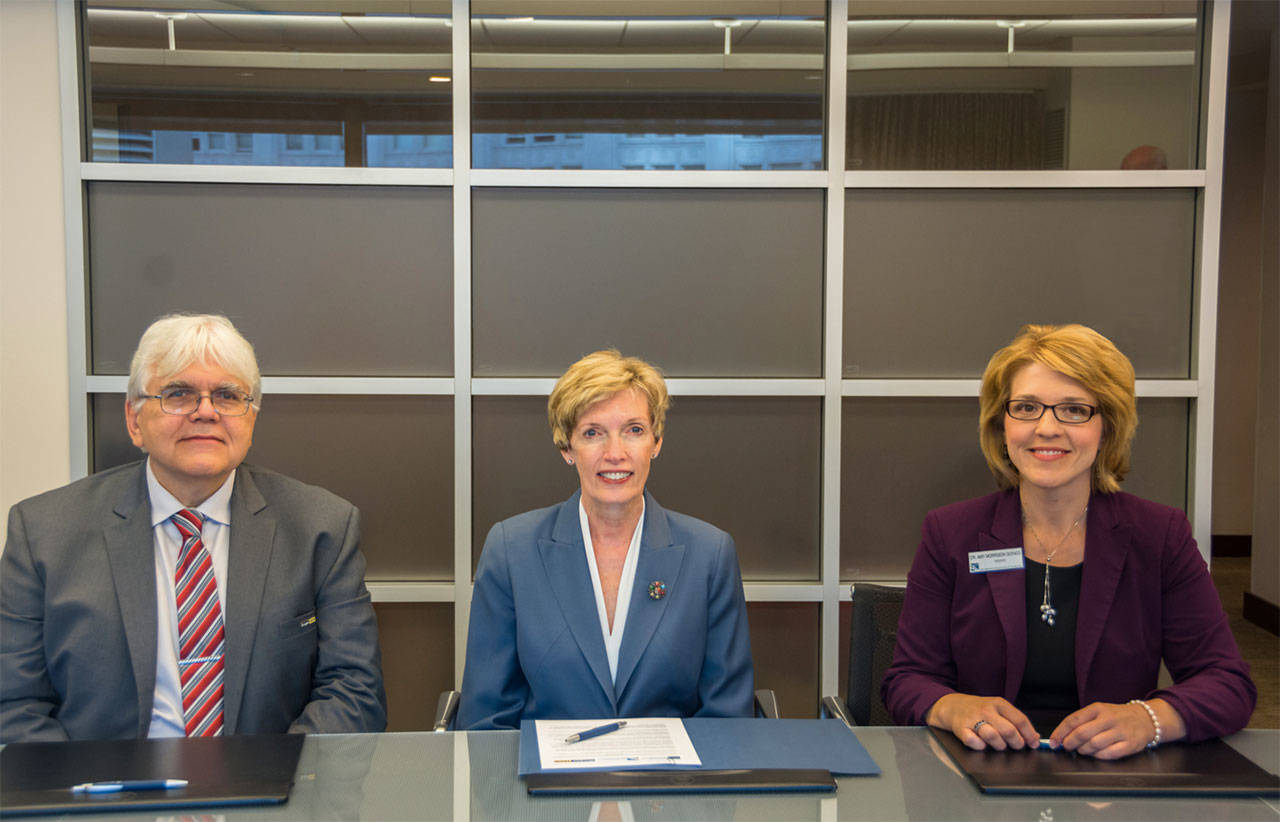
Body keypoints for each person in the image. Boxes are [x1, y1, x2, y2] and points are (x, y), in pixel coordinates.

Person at [0, 314, 387, 741]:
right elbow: (15, 703)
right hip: (100, 795)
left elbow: (354, 692)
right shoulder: (42, 534)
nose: (206, 412)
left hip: (268, 793)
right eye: (179, 394)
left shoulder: (321, 528)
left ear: (251, 419)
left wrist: (277, 788)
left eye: (227, 395)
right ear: (134, 420)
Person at [882, 324, 1255, 759]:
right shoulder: (951, 532)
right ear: (1002, 425)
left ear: (1107, 428)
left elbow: (1229, 683)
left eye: (1074, 410)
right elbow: (906, 679)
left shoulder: (1159, 536)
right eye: (1026, 407)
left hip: (1112, 784)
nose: (1046, 428)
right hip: (977, 775)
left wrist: (1149, 719)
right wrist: (951, 707)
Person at [458, 350, 754, 729]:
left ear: (656, 442)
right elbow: (486, 720)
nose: (615, 454)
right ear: (567, 448)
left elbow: (728, 717)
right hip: (546, 783)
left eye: (633, 430)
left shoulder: (709, 555)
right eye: (593, 433)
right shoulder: (511, 550)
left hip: (671, 784)